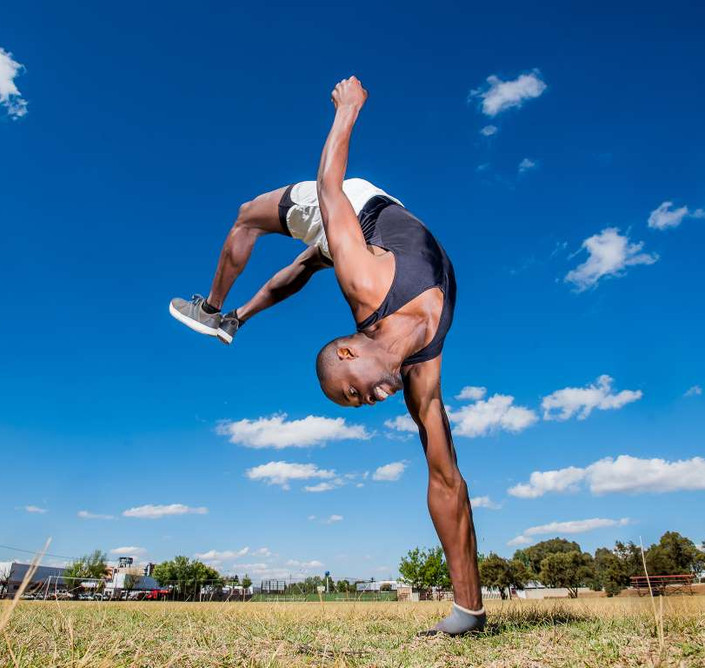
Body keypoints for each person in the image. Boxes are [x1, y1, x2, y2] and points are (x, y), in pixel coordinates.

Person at [169, 76, 484, 636]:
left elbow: (330, 187)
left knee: (248, 215)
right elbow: (447, 481)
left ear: (348, 349)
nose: (370, 401)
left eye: (353, 392)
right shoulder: (422, 370)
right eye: (359, 402)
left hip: (355, 205)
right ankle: (234, 317)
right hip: (370, 235)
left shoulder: (365, 282)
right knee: (307, 263)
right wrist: (470, 613)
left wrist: (347, 109)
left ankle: (215, 310)